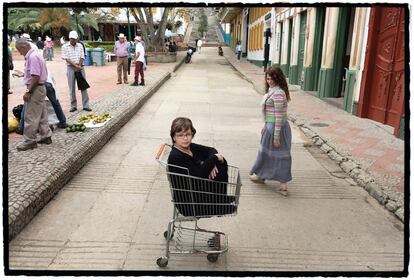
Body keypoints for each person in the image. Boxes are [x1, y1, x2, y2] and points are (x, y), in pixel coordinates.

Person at [167, 117, 235, 217]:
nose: (185, 138)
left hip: (198, 191)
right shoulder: (176, 157)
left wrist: (213, 161)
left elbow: (211, 150)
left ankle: (220, 198)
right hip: (190, 204)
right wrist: (213, 159)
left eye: (188, 134)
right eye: (180, 135)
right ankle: (219, 200)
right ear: (174, 137)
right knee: (233, 208)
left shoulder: (190, 147)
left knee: (221, 161)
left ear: (192, 134)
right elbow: (200, 174)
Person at [249, 66, 292, 196]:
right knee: (265, 153)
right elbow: (270, 113)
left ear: (278, 78)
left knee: (282, 156)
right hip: (271, 127)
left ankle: (283, 185)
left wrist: (276, 136)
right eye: (267, 78)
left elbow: (279, 116)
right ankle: (261, 176)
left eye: (272, 78)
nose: (269, 81)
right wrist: (265, 125)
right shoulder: (273, 91)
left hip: (276, 128)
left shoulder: (278, 93)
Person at [14, 39, 52, 151]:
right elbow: (34, 74)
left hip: (35, 88)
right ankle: (46, 136)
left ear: (23, 47)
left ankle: (30, 140)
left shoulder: (32, 57)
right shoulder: (36, 54)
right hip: (40, 88)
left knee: (30, 115)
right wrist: (24, 75)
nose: (20, 53)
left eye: (19, 50)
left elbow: (35, 77)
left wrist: (28, 91)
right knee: (41, 114)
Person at [61, 30, 92, 112]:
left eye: (75, 39)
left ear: (77, 39)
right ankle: (73, 105)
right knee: (72, 88)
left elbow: (82, 56)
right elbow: (66, 58)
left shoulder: (80, 46)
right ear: (69, 38)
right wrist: (75, 66)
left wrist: (79, 66)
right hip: (71, 67)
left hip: (80, 66)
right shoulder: (65, 46)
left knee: (83, 86)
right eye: (72, 39)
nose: (73, 41)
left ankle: (86, 105)